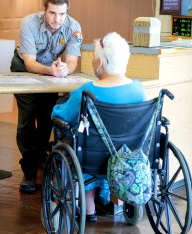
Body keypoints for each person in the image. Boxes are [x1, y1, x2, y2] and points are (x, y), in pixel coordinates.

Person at [52, 32, 146, 222]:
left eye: (95, 57)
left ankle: (86, 207)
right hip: (127, 156)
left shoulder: (87, 92)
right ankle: (92, 206)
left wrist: (57, 106)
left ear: (100, 63)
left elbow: (60, 116)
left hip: (91, 158)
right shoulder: (138, 89)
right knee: (96, 144)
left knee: (75, 141)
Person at [10, 0, 83, 194]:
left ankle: (40, 155)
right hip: (24, 68)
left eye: (61, 14)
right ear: (44, 11)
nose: (57, 19)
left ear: (67, 12)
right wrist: (51, 70)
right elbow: (30, 63)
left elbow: (72, 60)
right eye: (52, 13)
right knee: (27, 117)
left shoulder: (73, 27)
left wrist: (64, 69)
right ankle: (29, 171)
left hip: (51, 70)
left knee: (46, 117)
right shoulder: (29, 23)